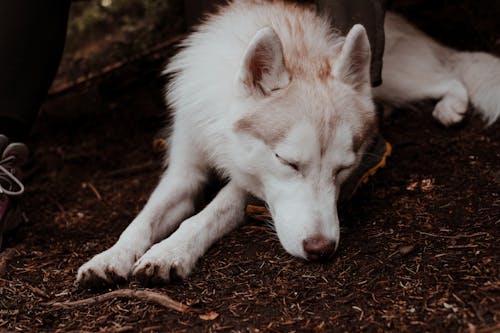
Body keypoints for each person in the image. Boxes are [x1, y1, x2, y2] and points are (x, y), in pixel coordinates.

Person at [0, 0, 388, 248]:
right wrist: (128, 245)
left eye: (340, 168)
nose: (324, 234)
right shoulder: (244, 94)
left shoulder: (327, 93)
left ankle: (448, 80)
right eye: (290, 163)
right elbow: (186, 179)